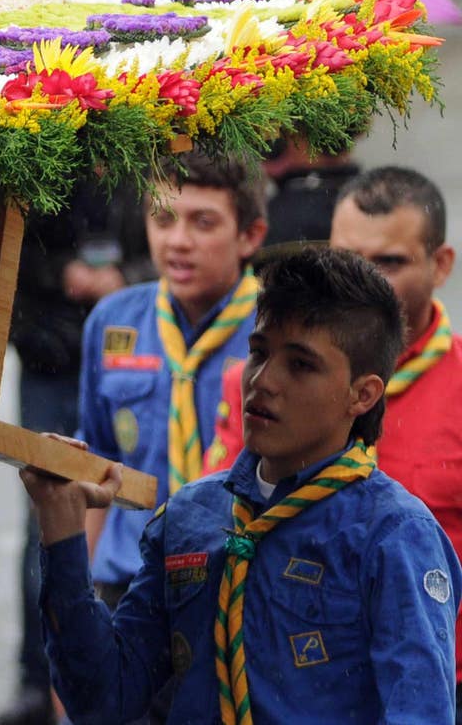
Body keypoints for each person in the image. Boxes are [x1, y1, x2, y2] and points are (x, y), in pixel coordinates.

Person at [25, 245, 462, 724]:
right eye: (258, 352)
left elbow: (419, 713)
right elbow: (104, 698)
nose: (263, 381)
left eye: (301, 364)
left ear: (362, 394)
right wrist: (61, 532)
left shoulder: (394, 536)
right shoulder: (190, 517)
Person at [0, 184, 153, 725]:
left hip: (130, 347)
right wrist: (62, 273)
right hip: (50, 354)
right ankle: (40, 677)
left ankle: (105, 670)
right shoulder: (45, 144)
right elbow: (7, 253)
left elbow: (170, 250)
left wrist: (124, 279)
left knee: (127, 502)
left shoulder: (154, 149)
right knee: (49, 518)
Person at [78, 153, 266, 600]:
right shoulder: (114, 321)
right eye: (163, 219)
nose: (178, 241)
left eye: (203, 223)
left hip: (240, 584)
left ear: (249, 235)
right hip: (129, 582)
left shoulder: (277, 329)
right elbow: (97, 457)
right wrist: (78, 597)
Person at [329, 167, 462, 711]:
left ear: (441, 265)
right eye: (347, 258)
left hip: (440, 683)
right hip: (305, 681)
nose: (362, 281)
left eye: (389, 262)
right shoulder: (275, 381)